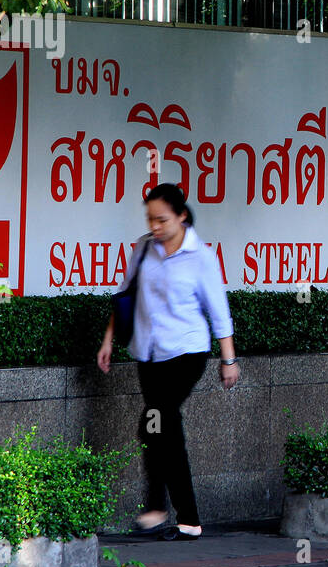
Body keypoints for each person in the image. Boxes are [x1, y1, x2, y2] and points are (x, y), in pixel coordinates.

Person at [97, 182, 239, 540]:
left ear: (182, 216)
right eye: (150, 219)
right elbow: (125, 295)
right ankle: (160, 510)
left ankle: (180, 515)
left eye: (162, 219)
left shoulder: (200, 257)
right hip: (149, 353)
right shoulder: (144, 248)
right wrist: (108, 341)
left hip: (187, 353)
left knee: (160, 425)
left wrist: (228, 359)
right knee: (155, 427)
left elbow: (218, 311)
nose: (155, 227)